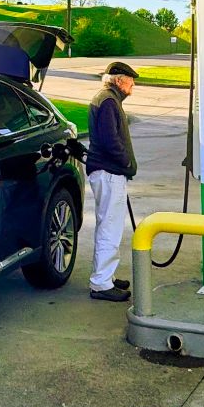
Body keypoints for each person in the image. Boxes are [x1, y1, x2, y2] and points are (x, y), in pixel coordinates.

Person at [85, 61, 138, 302]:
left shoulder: (106, 98)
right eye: (130, 82)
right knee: (110, 228)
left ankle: (106, 276)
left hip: (108, 172)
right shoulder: (108, 101)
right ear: (119, 80)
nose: (132, 86)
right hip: (109, 172)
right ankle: (101, 283)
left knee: (109, 225)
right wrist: (125, 162)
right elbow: (110, 140)